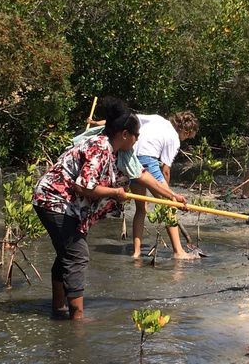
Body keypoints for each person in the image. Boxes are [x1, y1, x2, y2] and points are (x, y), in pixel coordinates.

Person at [32, 97, 187, 320]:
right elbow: (86, 186)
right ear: (124, 135)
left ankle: (59, 309)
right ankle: (77, 318)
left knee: (67, 254)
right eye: (136, 135)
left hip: (62, 203)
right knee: (77, 256)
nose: (138, 139)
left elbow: (143, 175)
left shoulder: (120, 152)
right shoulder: (100, 147)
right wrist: (115, 192)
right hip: (54, 200)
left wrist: (173, 196)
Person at [130, 111, 199, 260]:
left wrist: (98, 123)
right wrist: (167, 194)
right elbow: (166, 171)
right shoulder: (174, 138)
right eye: (187, 136)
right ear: (185, 131)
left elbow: (130, 118)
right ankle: (179, 252)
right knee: (168, 206)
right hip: (147, 161)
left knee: (141, 209)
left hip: (131, 160)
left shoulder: (156, 119)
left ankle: (136, 253)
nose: (185, 139)